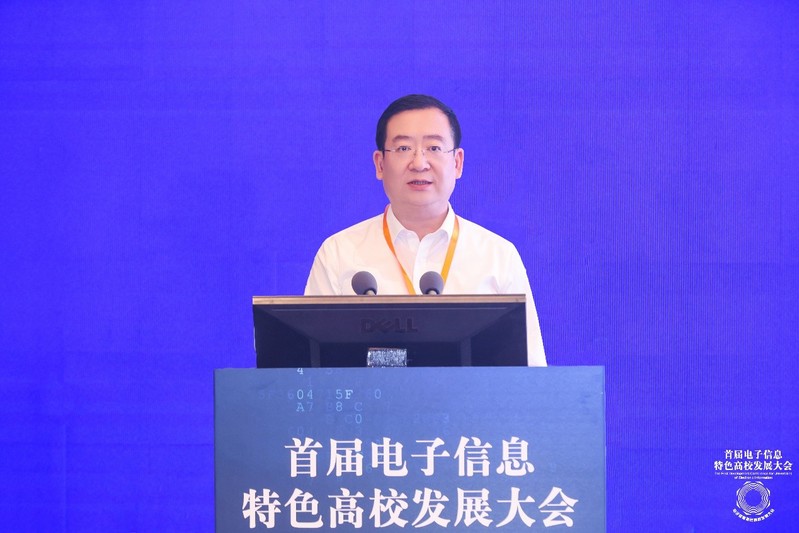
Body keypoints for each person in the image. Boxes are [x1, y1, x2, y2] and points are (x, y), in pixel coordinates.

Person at [304, 94, 546, 366]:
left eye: (433, 148)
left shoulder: (498, 256)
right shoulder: (339, 254)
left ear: (457, 163)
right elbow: (312, 371)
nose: (419, 163)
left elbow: (532, 373)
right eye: (403, 148)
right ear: (380, 164)